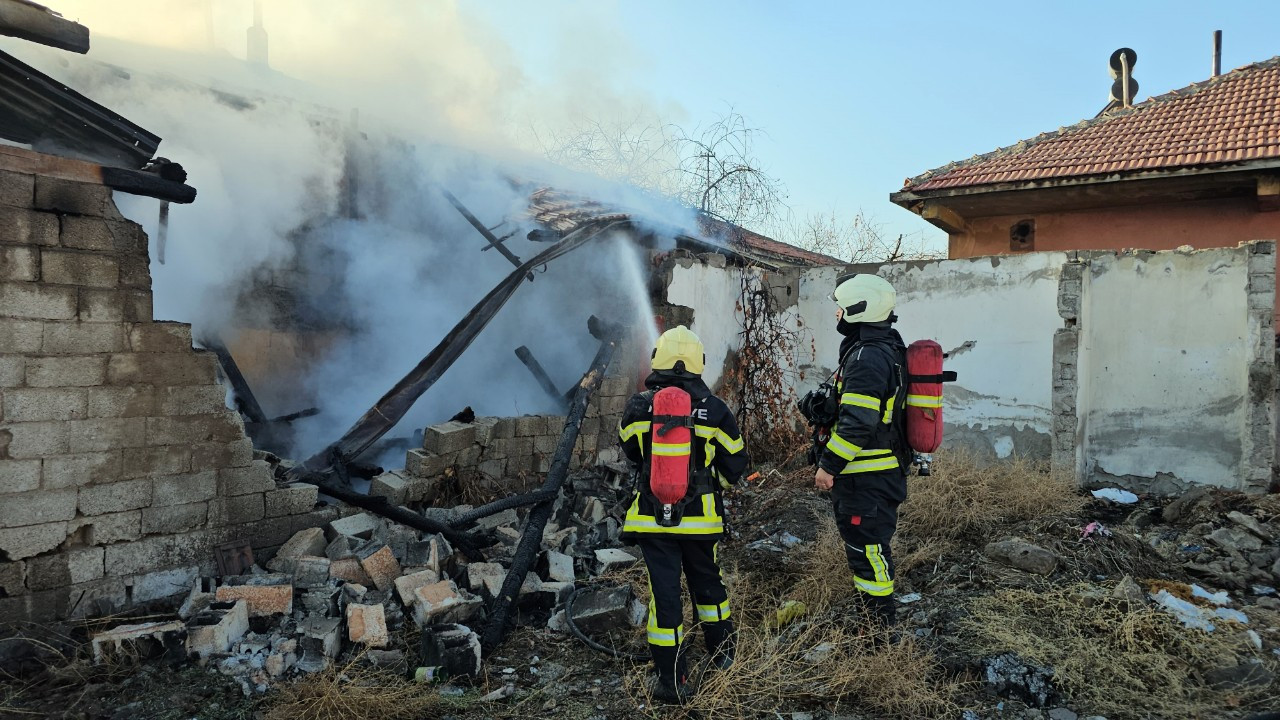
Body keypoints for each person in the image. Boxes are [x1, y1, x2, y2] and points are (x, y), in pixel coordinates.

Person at [618, 325, 750, 704]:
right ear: (698, 363)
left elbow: (630, 451)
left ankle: (672, 680)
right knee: (709, 586)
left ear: (659, 359)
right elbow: (736, 464)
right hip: (701, 522)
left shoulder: (639, 405)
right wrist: (709, 484)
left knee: (664, 595)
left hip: (652, 521)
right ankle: (724, 658)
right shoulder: (716, 410)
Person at [813, 273, 908, 628]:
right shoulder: (882, 348)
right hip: (875, 475)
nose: (836, 314)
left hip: (865, 477)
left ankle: (879, 633)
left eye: (840, 308)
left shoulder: (867, 357)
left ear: (858, 308)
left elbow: (858, 421)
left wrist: (829, 466)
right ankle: (873, 623)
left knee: (869, 553)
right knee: (867, 550)